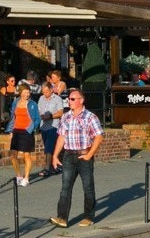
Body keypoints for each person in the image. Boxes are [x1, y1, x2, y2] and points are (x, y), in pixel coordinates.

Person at [50, 88, 103, 227]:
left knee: (88, 187)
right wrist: (55, 156)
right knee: (65, 188)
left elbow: (98, 136)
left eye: (73, 99)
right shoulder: (65, 116)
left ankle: (88, 217)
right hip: (68, 156)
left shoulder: (90, 117)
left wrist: (90, 154)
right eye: (69, 99)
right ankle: (62, 218)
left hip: (84, 155)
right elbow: (61, 137)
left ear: (81, 100)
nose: (70, 101)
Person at [8, 82, 40, 186]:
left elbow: (37, 119)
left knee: (27, 155)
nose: (27, 94)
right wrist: (11, 131)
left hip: (27, 131)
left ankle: (26, 178)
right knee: (13, 155)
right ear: (20, 93)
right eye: (25, 92)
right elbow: (13, 117)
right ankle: (19, 175)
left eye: (28, 92)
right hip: (16, 130)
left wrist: (29, 129)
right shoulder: (15, 102)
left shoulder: (33, 104)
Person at [36, 78, 65, 176]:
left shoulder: (57, 99)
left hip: (54, 125)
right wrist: (41, 116)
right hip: (44, 126)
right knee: (48, 146)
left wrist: (51, 116)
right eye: (43, 92)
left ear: (51, 90)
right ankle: (55, 167)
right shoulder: (41, 99)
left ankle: (47, 168)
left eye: (47, 92)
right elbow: (39, 110)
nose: (45, 94)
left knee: (49, 146)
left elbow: (61, 112)